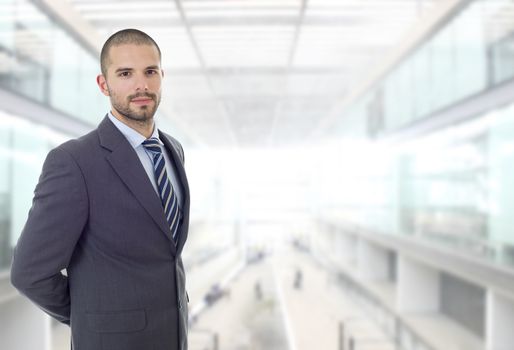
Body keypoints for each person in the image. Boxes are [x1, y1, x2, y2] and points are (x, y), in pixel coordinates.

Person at [10, 29, 190, 350]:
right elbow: (29, 273)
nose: (141, 85)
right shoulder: (74, 162)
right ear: (103, 84)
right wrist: (95, 316)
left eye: (150, 72)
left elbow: (165, 254)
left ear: (162, 76)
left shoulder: (172, 150)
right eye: (125, 74)